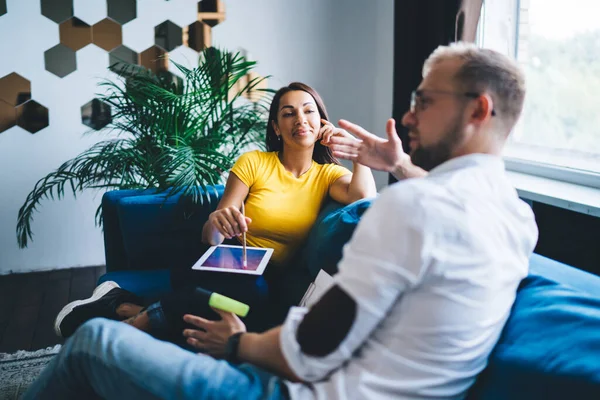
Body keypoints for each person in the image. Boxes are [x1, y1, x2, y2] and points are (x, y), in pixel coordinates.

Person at [25, 42, 538, 400]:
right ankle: (141, 311)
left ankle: (131, 313)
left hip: (304, 386)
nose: (408, 116)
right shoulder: (516, 217)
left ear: (478, 111)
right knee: (230, 293)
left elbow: (306, 353)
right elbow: (449, 199)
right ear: (277, 123)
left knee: (97, 345)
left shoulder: (407, 208)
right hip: (229, 269)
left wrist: (236, 343)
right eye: (288, 113)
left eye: (423, 101)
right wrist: (401, 166)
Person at [52, 82, 377, 340]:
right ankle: (122, 334)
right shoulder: (254, 162)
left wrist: (355, 153)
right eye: (288, 113)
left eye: (308, 111)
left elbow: (363, 197)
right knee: (248, 298)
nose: (300, 120)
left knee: (242, 306)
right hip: (216, 263)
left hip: (261, 282)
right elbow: (212, 236)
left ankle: (125, 307)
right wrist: (219, 221)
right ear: (277, 127)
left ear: (321, 122)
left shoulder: (328, 176)